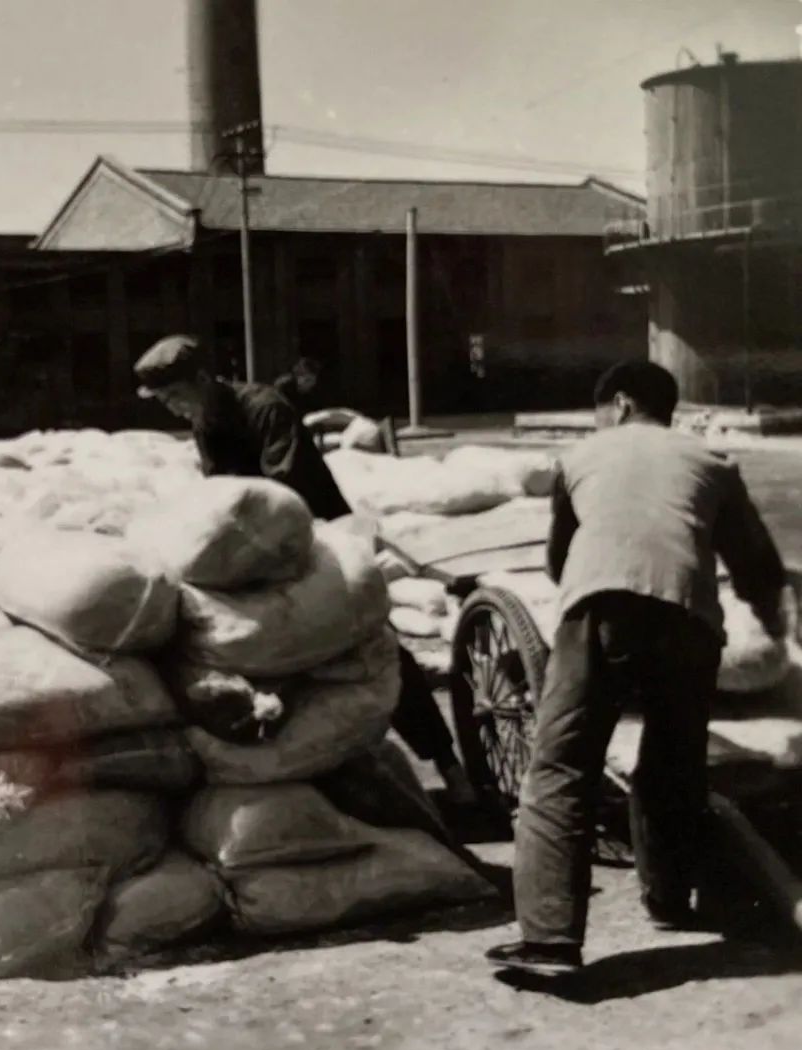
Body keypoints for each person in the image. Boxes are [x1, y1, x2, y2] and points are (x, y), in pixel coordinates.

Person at [487, 361, 786, 977]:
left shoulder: (580, 456)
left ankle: (549, 940)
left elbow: (558, 560)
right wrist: (775, 628)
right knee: (673, 763)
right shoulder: (713, 462)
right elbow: (755, 565)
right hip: (689, 620)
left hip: (601, 608)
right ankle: (669, 899)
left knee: (561, 765)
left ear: (619, 404)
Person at [135, 333, 476, 804]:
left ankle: (450, 767)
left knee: (376, 648)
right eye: (164, 401)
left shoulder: (266, 409)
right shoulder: (205, 424)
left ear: (201, 379)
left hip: (319, 540)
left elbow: (286, 497)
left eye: (175, 395)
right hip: (254, 555)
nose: (172, 407)